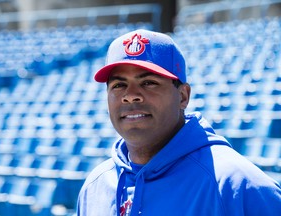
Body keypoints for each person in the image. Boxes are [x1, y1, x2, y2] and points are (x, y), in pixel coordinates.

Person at [77, 29, 281, 216]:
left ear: (183, 96)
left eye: (148, 83)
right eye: (119, 85)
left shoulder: (237, 185)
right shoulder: (95, 186)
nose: (130, 96)